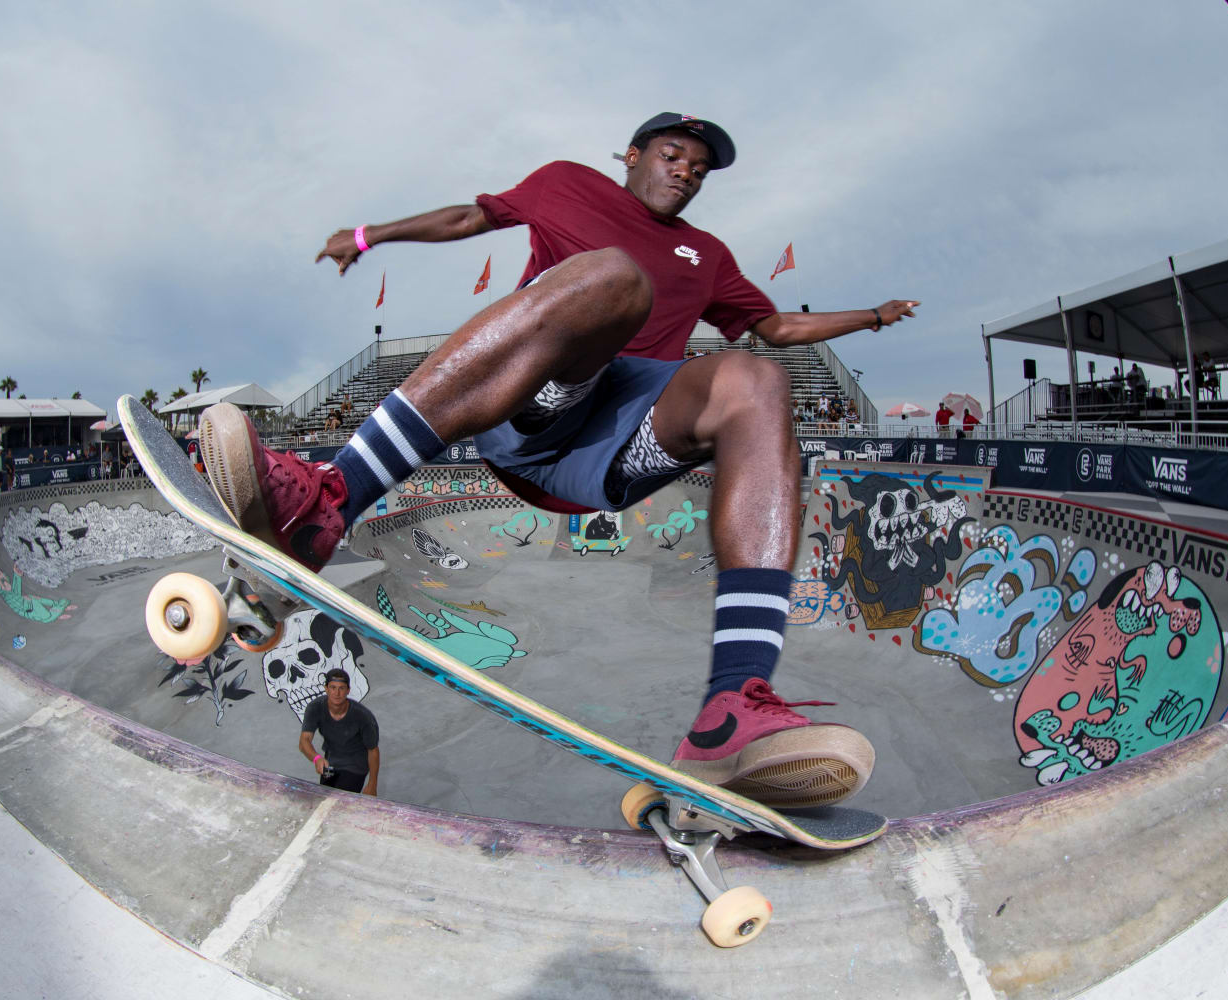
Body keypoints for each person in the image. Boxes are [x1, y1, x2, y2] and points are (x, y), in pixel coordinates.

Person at [199, 112, 916, 808]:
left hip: (617, 446)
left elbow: (777, 327)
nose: (685, 174)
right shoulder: (566, 184)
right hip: (536, 404)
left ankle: (732, 710)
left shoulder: (709, 256)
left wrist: (874, 316)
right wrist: (367, 235)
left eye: (697, 171)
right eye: (672, 156)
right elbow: (467, 220)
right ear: (630, 155)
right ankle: (331, 502)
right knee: (614, 278)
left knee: (757, 380)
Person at [300, 668, 379, 795]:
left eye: (341, 688)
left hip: (355, 765)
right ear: (326, 688)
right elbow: (304, 741)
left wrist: (372, 784)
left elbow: (373, 751)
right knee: (323, 798)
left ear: (348, 690)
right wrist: (316, 758)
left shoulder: (363, 716)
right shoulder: (315, 708)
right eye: (333, 687)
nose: (337, 693)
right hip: (331, 762)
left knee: (338, 800)